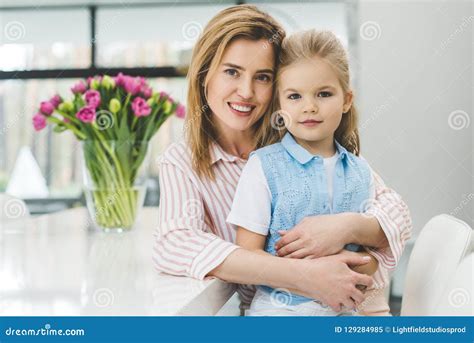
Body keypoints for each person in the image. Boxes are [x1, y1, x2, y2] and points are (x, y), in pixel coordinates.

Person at [153, 5, 412, 315]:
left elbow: (396, 213)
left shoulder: (302, 136)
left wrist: (345, 228)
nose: (246, 91)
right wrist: (306, 276)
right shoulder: (182, 161)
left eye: (262, 77)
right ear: (204, 75)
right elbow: (175, 242)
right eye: (232, 71)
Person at [229, 29, 393, 316]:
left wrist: (353, 264)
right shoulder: (263, 167)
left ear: (346, 100)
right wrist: (312, 273)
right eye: (294, 96)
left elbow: (373, 258)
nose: (309, 107)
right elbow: (245, 258)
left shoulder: (361, 172)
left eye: (324, 93)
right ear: (279, 104)